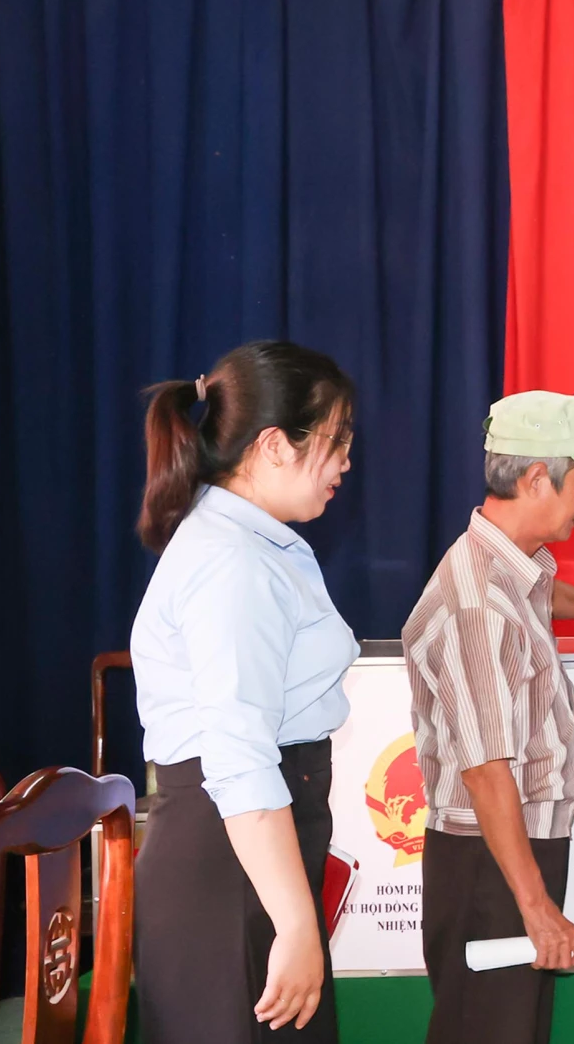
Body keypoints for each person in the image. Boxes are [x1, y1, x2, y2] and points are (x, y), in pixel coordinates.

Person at [404, 390, 574, 1044]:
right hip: (491, 862)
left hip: (512, 851)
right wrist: (535, 907)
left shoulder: (510, 567)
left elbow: (542, 592)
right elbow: (485, 771)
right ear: (534, 480)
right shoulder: (479, 606)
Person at [131, 340, 359, 1042]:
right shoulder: (231, 560)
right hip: (227, 864)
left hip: (251, 856)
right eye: (336, 440)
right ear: (274, 446)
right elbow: (238, 759)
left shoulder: (253, 543)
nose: (347, 462)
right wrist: (296, 924)